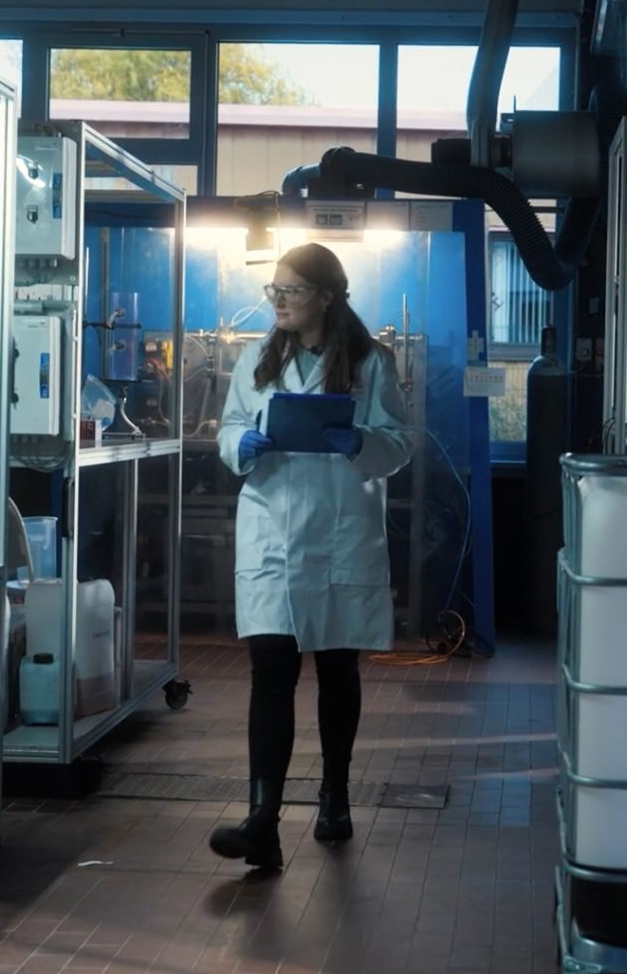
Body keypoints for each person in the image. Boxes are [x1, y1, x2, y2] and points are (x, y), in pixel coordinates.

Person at [210, 242, 412, 870]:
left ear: (326, 295)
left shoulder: (371, 362)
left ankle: (335, 795)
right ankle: (263, 821)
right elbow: (227, 427)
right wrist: (244, 441)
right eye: (273, 291)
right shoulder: (256, 359)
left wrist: (359, 440)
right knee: (271, 670)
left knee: (335, 669)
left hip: (340, 530)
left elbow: (399, 443)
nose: (278, 301)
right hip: (272, 528)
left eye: (291, 291)